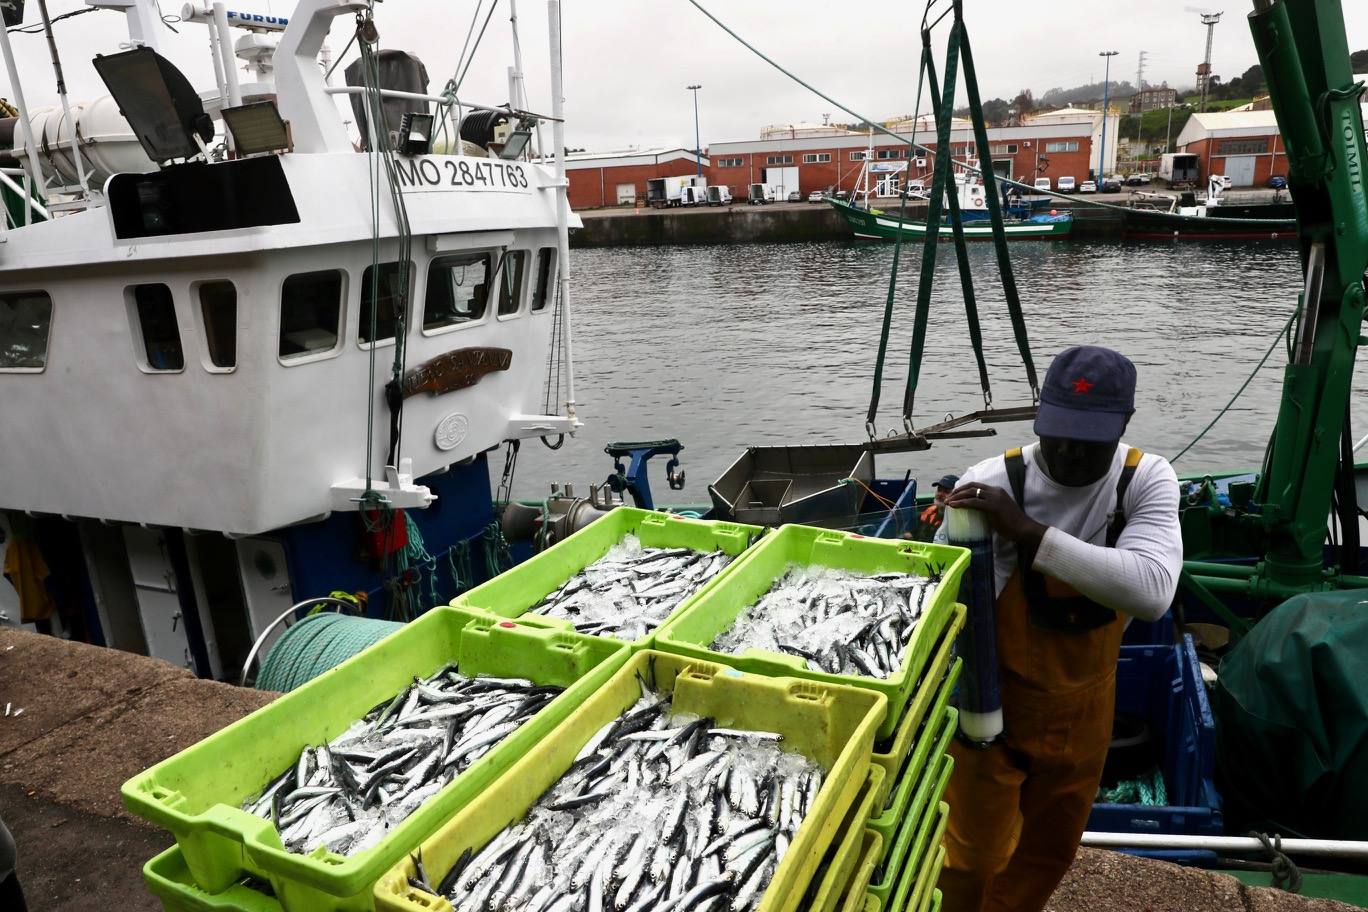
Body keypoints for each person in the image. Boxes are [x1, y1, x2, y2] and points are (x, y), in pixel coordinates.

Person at [934, 345, 1182, 912]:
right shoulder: (992, 480)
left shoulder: (1143, 481)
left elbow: (1150, 592)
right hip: (991, 711)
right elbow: (954, 608)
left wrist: (1026, 532)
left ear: (1121, 426)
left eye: (1089, 439)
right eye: (1058, 432)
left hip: (1084, 716)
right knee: (970, 857)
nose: (1069, 451)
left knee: (1048, 853)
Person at [914, 474, 959, 540]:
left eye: (946, 491)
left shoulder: (957, 519)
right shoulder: (928, 512)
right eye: (939, 490)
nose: (940, 494)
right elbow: (915, 533)